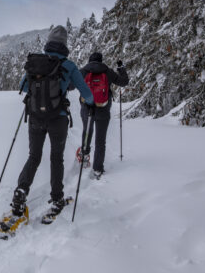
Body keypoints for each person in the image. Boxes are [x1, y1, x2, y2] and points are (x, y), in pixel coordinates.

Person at [12, 25, 94, 219]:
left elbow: (23, 87)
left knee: (34, 156)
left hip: (35, 118)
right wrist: (89, 102)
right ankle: (57, 198)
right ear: (64, 44)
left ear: (48, 42)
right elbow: (87, 94)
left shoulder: (37, 62)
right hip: (58, 119)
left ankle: (21, 192)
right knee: (56, 158)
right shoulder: (69, 65)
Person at [80, 52, 129, 179]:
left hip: (86, 107)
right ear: (101, 61)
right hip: (103, 108)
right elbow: (124, 82)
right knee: (100, 140)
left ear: (90, 60)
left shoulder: (84, 71)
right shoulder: (107, 71)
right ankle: (97, 169)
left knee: (87, 131)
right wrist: (121, 69)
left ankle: (84, 155)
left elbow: (70, 85)